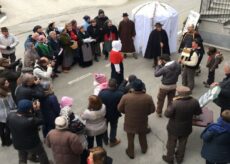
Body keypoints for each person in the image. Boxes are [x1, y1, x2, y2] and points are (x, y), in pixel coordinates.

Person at [162, 86, 202, 164]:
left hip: (173, 128)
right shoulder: (194, 101)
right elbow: (198, 112)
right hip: (186, 127)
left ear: (179, 94)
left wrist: (171, 104)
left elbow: (167, 114)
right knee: (182, 143)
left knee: (171, 143)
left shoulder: (175, 103)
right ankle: (179, 159)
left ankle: (169, 158)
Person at [118, 79, 155, 159]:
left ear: (132, 88)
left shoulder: (126, 97)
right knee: (142, 136)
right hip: (142, 121)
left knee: (130, 139)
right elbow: (152, 110)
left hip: (129, 122)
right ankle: (144, 149)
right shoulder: (148, 97)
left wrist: (127, 112)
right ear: (142, 88)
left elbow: (119, 108)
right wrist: (146, 113)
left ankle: (131, 153)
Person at [7, 99, 50, 164]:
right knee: (41, 154)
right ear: (29, 110)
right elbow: (41, 120)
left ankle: (28, 159)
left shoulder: (10, 116)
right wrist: (38, 109)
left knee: (22, 157)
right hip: (32, 144)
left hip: (18, 143)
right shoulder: (30, 121)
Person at [98, 79, 123, 147]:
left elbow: (99, 103)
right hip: (114, 114)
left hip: (104, 114)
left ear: (108, 85)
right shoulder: (120, 94)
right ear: (116, 85)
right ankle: (112, 140)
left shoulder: (102, 92)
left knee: (104, 127)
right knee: (113, 127)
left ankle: (105, 140)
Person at [0, 78, 16, 146]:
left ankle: (3, 142)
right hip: (6, 113)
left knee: (1, 128)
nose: (8, 84)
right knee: (7, 128)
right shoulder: (7, 94)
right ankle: (8, 141)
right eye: (6, 83)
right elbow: (11, 105)